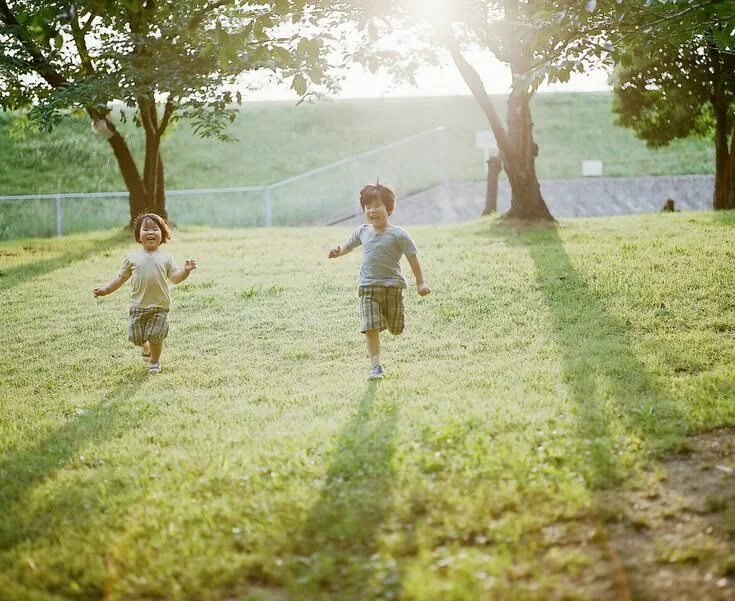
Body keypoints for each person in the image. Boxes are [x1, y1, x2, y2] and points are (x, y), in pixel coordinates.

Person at [328, 184, 430, 380]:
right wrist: (337, 251)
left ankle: (388, 319)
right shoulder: (362, 231)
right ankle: (376, 366)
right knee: (370, 327)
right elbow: (347, 245)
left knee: (396, 329)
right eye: (367, 206)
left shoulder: (399, 234)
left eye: (377, 205)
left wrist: (420, 283)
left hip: (392, 287)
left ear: (389, 209)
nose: (372, 210)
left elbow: (413, 259)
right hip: (367, 287)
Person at [93, 213, 196, 374]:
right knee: (135, 337)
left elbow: (175, 278)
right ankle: (145, 348)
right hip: (138, 306)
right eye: (145, 229)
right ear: (138, 236)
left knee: (156, 336)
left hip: (160, 306)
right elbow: (121, 278)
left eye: (155, 229)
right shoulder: (132, 258)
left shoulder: (166, 258)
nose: (150, 232)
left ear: (162, 234)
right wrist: (106, 290)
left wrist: (185, 271)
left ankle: (154, 361)